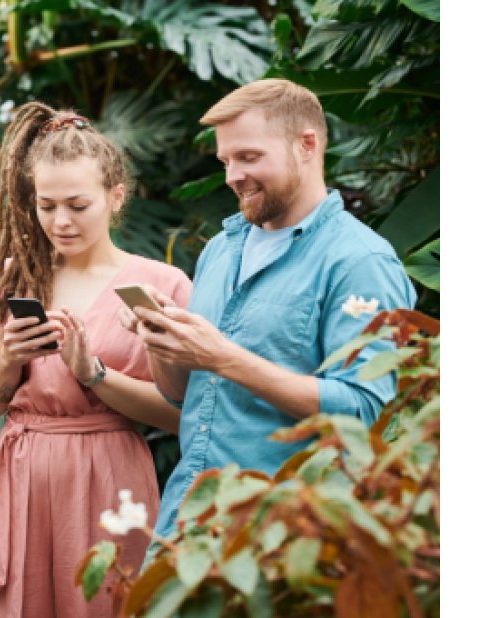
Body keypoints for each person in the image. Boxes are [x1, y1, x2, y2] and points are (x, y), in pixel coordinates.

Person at [118, 79, 418, 547]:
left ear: (306, 145)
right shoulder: (221, 250)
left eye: (249, 157)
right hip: (188, 518)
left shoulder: (360, 262)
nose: (232, 175)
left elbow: (365, 414)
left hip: (285, 535)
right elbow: (183, 396)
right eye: (226, 161)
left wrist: (223, 357)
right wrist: (164, 343)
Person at [0, 102, 192, 617]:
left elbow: (182, 416)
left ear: (116, 197)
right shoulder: (15, 277)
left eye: (78, 205)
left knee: (107, 601)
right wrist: (8, 359)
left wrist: (94, 376)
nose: (60, 221)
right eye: (46, 205)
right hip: (24, 475)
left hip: (109, 476)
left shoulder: (159, 286)